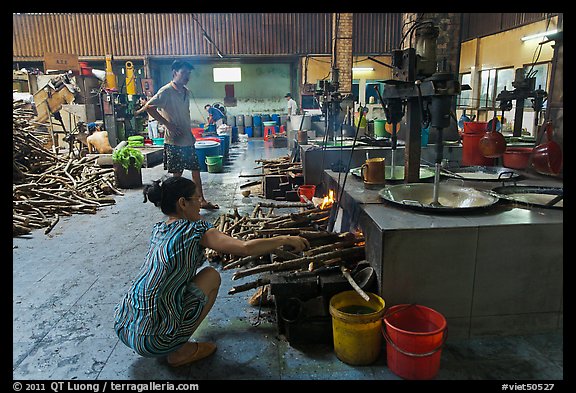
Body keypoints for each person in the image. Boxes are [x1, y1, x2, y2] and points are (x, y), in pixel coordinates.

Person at [113, 176, 310, 367]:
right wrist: (286, 239)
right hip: (154, 341)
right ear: (183, 203)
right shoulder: (196, 229)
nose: (200, 203)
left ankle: (167, 330)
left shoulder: (159, 229)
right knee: (211, 276)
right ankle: (178, 349)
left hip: (124, 326)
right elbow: (245, 248)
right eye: (196, 199)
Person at [139, 60, 219, 210]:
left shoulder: (186, 92)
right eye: (184, 73)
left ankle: (201, 200)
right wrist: (167, 124)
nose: (187, 76)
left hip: (187, 140)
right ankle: (176, 205)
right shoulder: (166, 91)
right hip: (174, 141)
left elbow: (184, 114)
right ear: (175, 72)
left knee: (196, 171)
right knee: (177, 175)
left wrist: (190, 131)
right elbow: (148, 107)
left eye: (189, 74)